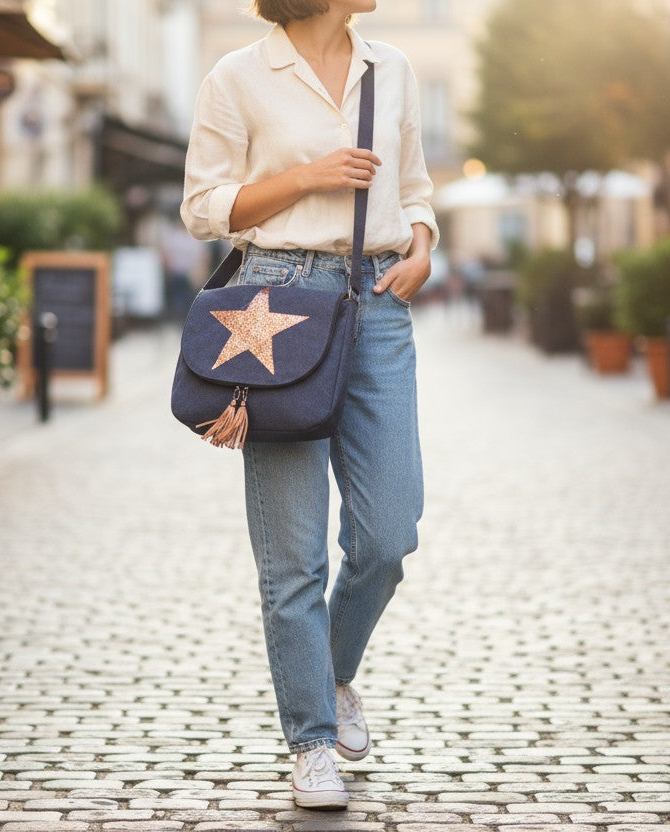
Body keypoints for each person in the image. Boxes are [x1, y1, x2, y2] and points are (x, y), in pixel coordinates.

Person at [181, 0, 437, 811]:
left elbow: (416, 185)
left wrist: (424, 243)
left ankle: (331, 674)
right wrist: (306, 177)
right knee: (293, 556)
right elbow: (202, 209)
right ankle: (312, 740)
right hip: (278, 308)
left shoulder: (390, 68)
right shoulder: (239, 76)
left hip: (379, 306)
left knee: (390, 532)